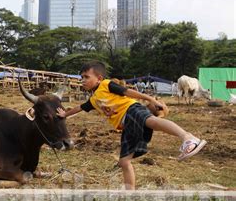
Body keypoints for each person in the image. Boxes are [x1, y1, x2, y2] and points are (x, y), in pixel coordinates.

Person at [57, 61, 207, 190]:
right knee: (124, 161)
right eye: (81, 77)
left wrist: (151, 100)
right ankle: (130, 194)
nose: (82, 80)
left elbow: (129, 92)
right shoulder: (93, 99)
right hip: (127, 125)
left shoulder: (106, 85)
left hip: (132, 110)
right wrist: (64, 114)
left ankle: (188, 138)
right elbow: (80, 108)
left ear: (99, 78)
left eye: (86, 77)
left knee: (152, 122)